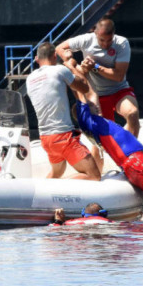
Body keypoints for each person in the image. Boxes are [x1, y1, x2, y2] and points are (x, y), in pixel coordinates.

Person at [69, 67, 143, 209]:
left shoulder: (97, 120)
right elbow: (80, 90)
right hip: (136, 161)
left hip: (141, 160)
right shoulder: (88, 122)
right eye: (90, 105)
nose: (95, 105)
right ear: (82, 112)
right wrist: (71, 67)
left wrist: (87, 72)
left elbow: (93, 94)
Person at [26, 42, 101, 181]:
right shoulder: (59, 70)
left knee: (57, 173)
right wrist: (70, 64)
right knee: (94, 176)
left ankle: (42, 196)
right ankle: (55, 189)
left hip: (45, 138)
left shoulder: (30, 79)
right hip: (63, 136)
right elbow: (84, 88)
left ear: (37, 59)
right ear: (55, 56)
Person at [56, 18, 140, 137]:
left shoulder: (121, 43)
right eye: (102, 40)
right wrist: (68, 58)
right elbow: (59, 48)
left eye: (109, 40)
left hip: (119, 90)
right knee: (101, 137)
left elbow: (118, 76)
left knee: (132, 113)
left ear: (113, 35)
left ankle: (133, 150)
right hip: (98, 95)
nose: (105, 44)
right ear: (95, 34)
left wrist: (95, 67)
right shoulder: (86, 39)